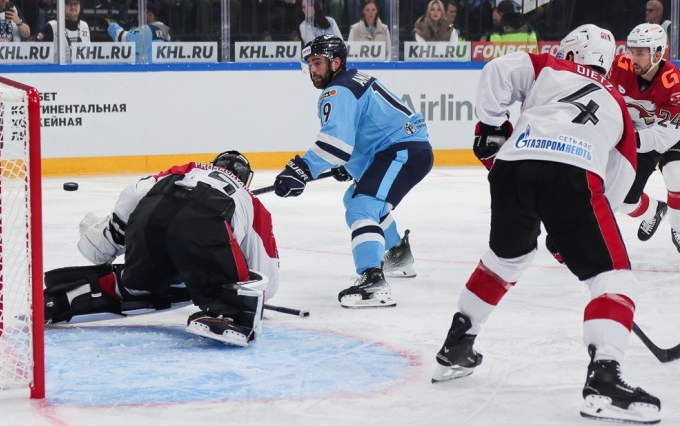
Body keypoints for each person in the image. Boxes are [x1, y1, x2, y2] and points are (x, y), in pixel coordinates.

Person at [431, 24, 661, 424]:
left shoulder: (547, 65)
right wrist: (568, 229)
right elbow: (620, 189)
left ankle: (457, 345)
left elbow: (497, 72)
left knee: (506, 259)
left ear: (571, 53)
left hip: (512, 170)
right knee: (614, 278)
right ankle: (604, 377)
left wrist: (490, 126)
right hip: (573, 177)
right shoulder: (618, 105)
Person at [43, 151, 280, 347]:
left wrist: (111, 238)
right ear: (246, 178)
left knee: (138, 285)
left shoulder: (189, 168)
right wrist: (244, 292)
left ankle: (60, 300)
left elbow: (135, 192)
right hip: (205, 225)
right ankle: (232, 314)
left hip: (150, 216)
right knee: (223, 287)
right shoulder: (251, 202)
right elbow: (266, 276)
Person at [273, 35, 433, 309]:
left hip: (401, 151)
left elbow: (335, 144)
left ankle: (373, 282)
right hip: (405, 148)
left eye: (318, 62)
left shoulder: (338, 91)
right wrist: (348, 166)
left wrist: (301, 170)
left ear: (336, 62)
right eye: (309, 63)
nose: (312, 69)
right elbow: (367, 129)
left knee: (363, 206)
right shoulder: (353, 79)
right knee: (356, 198)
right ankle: (397, 255)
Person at [608, 23, 680, 251]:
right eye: (631, 50)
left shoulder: (674, 83)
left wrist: (627, 140)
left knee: (676, 173)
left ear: (658, 53)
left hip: (669, 134)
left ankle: (678, 228)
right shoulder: (618, 66)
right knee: (623, 201)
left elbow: (663, 137)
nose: (633, 57)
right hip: (635, 135)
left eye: (640, 52)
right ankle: (654, 211)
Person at [106, 1, 171, 63]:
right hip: (160, 71)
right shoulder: (165, 31)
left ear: (150, 15)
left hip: (143, 72)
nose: (138, 15)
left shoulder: (147, 29)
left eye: (141, 12)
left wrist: (111, 25)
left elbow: (123, 38)